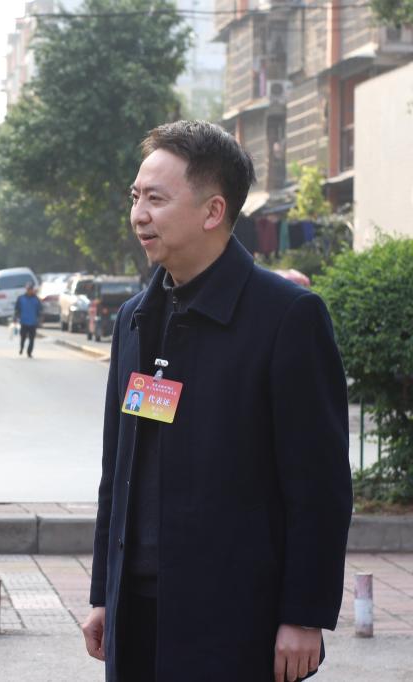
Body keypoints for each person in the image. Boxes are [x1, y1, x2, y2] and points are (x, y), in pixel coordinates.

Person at [81, 120, 352, 682]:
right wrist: (105, 593)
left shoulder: (286, 318)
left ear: (213, 211)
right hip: (136, 610)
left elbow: (319, 486)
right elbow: (119, 471)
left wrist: (304, 614)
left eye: (156, 199)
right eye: (135, 197)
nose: (138, 215)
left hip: (236, 617)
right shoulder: (135, 319)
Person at [14, 281, 43, 358]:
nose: (29, 291)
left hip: (33, 322)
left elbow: (40, 310)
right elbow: (17, 309)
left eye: (30, 289)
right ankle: (21, 347)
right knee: (23, 337)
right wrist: (16, 318)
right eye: (28, 289)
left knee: (32, 339)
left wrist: (40, 320)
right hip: (24, 321)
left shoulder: (36, 299)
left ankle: (29, 352)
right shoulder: (21, 298)